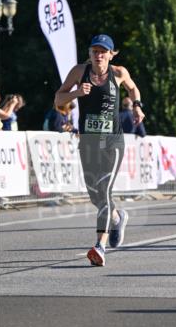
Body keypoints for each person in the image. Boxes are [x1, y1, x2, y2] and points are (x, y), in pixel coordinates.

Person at [54, 34, 144, 266]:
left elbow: (133, 89)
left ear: (111, 54)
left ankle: (99, 245)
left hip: (112, 142)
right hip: (88, 142)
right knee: (94, 193)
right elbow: (58, 99)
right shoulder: (78, 72)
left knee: (103, 191)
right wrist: (76, 93)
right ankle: (117, 217)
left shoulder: (118, 73)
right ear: (90, 53)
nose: (98, 55)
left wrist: (137, 106)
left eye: (103, 51)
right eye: (95, 50)